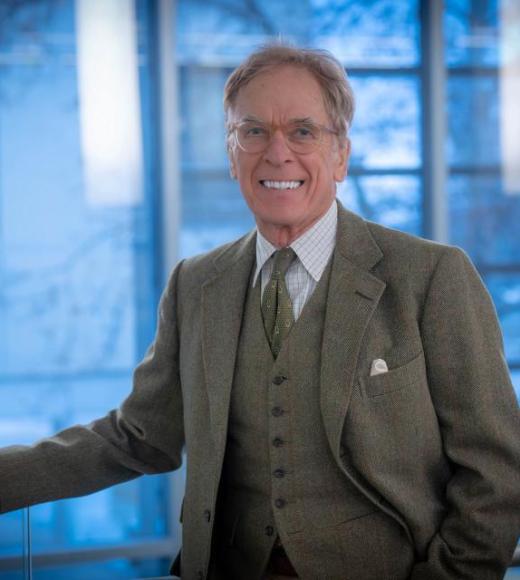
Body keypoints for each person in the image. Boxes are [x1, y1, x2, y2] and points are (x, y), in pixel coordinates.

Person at [1, 44, 519, 580]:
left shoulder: (431, 277)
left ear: (340, 154)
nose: (277, 153)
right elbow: (138, 437)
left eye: (303, 131)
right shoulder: (195, 284)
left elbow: (497, 470)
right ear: (232, 155)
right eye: (253, 132)